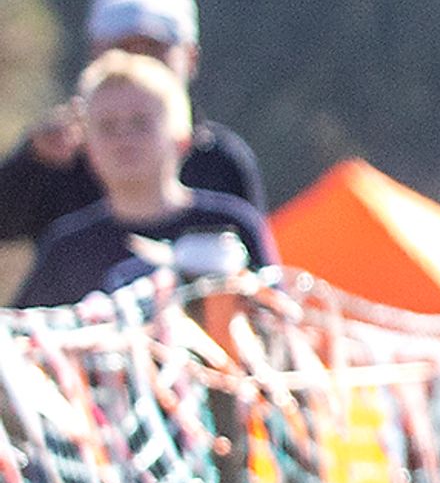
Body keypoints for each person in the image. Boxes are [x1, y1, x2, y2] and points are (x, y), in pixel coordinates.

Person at [0, 0, 268, 255]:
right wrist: (31, 161)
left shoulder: (222, 162)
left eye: (154, 50)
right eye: (122, 50)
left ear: (190, 58)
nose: (138, 64)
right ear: (95, 55)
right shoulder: (60, 157)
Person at [11, 52, 277, 308]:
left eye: (141, 123)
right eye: (107, 126)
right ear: (88, 149)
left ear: (182, 139)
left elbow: (281, 317)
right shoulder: (67, 249)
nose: (124, 139)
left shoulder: (232, 223)